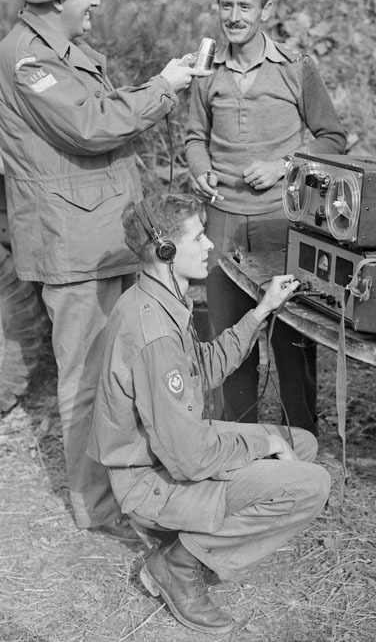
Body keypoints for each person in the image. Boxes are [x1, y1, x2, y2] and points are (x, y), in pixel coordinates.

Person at [0, 0, 209, 539]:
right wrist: (163, 86)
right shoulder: (27, 61)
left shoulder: (65, 51)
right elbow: (91, 125)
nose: (98, 1)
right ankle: (96, 505)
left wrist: (165, 85)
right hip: (74, 244)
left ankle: (128, 485)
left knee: (125, 369)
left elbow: (100, 108)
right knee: (88, 378)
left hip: (103, 233)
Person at [87, 191, 331, 635]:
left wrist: (260, 312)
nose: (210, 246)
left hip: (169, 455)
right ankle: (177, 563)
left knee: (303, 443)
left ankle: (192, 539)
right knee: (310, 485)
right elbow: (190, 457)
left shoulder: (163, 299)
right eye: (198, 237)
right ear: (165, 250)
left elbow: (205, 368)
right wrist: (263, 443)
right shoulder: (154, 331)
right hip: (150, 480)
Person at [186, 0, 348, 434]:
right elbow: (196, 137)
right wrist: (200, 170)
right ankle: (238, 441)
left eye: (245, 7)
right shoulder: (205, 70)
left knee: (293, 339)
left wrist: (284, 165)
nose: (235, 16)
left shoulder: (295, 68)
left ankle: (303, 441)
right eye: (227, 6)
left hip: (283, 225)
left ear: (266, 11)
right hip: (223, 225)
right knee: (229, 337)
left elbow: (333, 138)